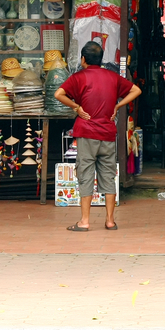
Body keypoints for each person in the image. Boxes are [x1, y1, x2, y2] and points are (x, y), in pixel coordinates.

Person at [55, 41, 141, 232]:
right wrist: (118, 106)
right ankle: (110, 221)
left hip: (87, 133)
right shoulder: (112, 77)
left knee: (85, 175)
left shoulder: (79, 77)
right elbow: (136, 90)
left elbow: (58, 94)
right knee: (109, 177)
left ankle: (84, 221)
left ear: (83, 59)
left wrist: (76, 107)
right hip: (108, 134)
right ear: (101, 59)